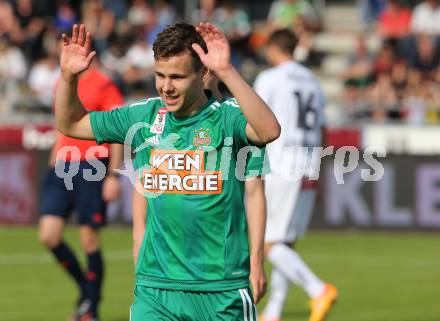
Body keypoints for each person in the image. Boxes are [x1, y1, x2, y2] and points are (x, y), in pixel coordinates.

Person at [55, 22, 280, 320]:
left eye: (177, 77)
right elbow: (70, 124)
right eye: (160, 75)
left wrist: (227, 71)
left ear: (202, 74)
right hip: (156, 289)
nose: (166, 86)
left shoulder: (228, 118)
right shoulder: (143, 116)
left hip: (220, 289)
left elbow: (269, 130)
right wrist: (69, 77)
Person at [254, 29, 338, 321]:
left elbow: (255, 115)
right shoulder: (312, 80)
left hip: (282, 160)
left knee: (267, 241)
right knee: (286, 241)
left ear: (272, 47)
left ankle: (318, 289)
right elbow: (324, 129)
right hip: (309, 159)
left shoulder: (270, 78)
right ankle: (274, 312)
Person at [38, 60, 124, 321]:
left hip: (93, 165)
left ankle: (90, 310)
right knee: (49, 235)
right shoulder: (63, 82)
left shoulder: (104, 84)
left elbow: (117, 130)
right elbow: (60, 124)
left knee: (88, 237)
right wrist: (53, 161)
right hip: (63, 165)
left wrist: (113, 175)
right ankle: (89, 292)